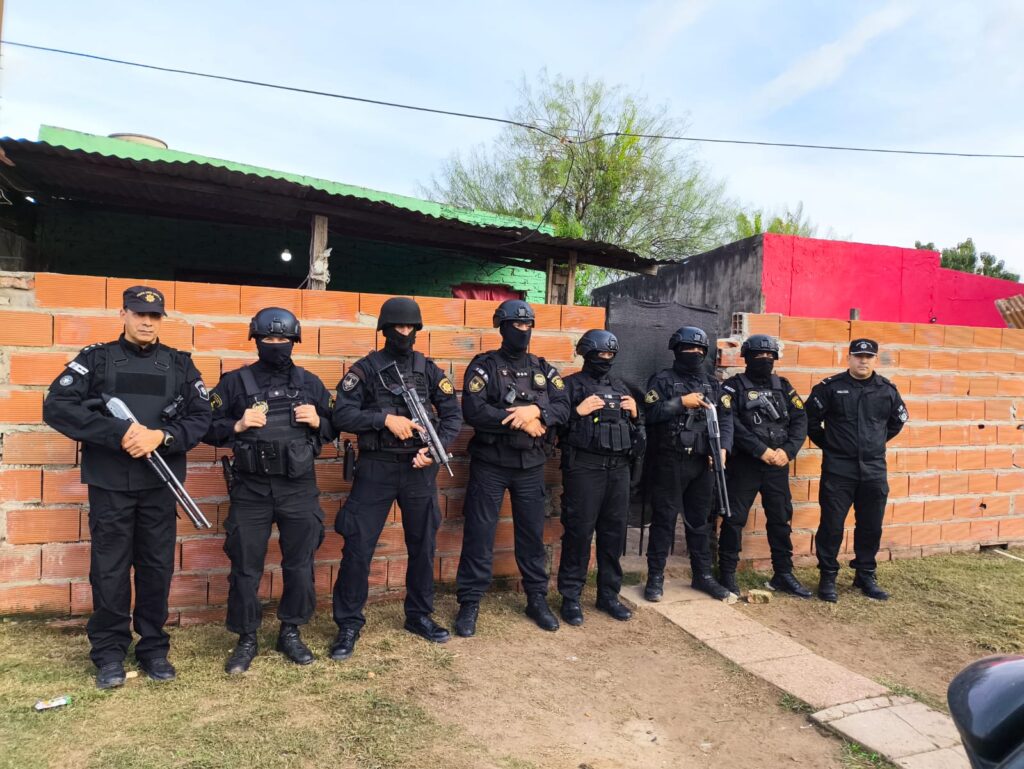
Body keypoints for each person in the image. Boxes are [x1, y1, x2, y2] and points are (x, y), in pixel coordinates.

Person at [42, 286, 211, 689]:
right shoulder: (95, 360)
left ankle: (153, 648)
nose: (147, 322)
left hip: (160, 482)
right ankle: (109, 652)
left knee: (156, 567)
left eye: (154, 316)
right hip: (111, 484)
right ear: (123, 314)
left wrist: (161, 437)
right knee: (110, 569)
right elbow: (57, 406)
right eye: (139, 314)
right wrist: (117, 433)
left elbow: (201, 416)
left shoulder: (180, 365)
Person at [328, 297, 462, 660]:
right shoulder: (365, 369)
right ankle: (348, 624)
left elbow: (452, 416)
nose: (404, 333)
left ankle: (419, 615)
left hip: (420, 468)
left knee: (423, 545)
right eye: (398, 327)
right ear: (385, 330)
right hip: (376, 467)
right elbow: (341, 415)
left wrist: (433, 451)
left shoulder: (428, 370)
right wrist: (384, 420)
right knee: (358, 547)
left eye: (410, 327)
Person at [204, 307, 335, 673]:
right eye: (269, 338)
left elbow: (337, 424)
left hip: (298, 487)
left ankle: (290, 631)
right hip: (252, 489)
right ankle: (246, 637)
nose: (276, 344)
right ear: (256, 340)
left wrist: (319, 421)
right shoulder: (234, 383)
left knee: (300, 564)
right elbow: (203, 426)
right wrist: (237, 425)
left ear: (294, 341)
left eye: (283, 338)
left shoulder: (310, 383)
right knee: (246, 566)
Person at [453, 299, 570, 637]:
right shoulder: (484, 366)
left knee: (532, 534)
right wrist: (517, 420)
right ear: (502, 327)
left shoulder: (542, 368)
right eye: (517, 325)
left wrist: (536, 413)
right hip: (490, 464)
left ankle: (536, 599)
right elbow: (474, 410)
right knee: (479, 534)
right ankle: (469, 602)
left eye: (528, 325)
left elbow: (563, 406)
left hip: (531, 465)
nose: (523, 330)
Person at [806, 338, 909, 602]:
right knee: (831, 525)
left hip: (874, 469)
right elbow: (809, 421)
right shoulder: (830, 388)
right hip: (839, 469)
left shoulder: (887, 390)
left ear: (875, 359)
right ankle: (828, 576)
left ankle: (865, 575)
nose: (863, 361)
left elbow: (897, 421)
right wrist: (832, 445)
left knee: (871, 525)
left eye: (868, 356)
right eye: (858, 356)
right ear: (849, 357)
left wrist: (875, 443)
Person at [642, 325, 735, 602]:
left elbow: (726, 418)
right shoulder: (662, 380)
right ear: (676, 350)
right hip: (671, 460)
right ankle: (655, 577)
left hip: (703, 462)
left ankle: (702, 575)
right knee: (664, 520)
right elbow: (650, 413)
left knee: (699, 522)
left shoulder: (713, 384)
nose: (693, 352)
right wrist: (681, 402)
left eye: (698, 349)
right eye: (688, 348)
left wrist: (722, 448)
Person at [556, 329, 639, 625]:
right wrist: (576, 412)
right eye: (600, 354)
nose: (605, 359)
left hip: (618, 470)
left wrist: (635, 413)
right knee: (578, 534)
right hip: (584, 469)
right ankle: (570, 598)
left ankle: (608, 595)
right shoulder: (569, 386)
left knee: (613, 535)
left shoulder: (621, 386)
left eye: (610, 355)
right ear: (587, 354)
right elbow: (553, 428)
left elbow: (639, 432)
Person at [718, 334, 811, 598]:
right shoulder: (732, 388)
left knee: (780, 519)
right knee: (734, 520)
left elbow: (800, 420)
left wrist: (787, 451)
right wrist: (760, 450)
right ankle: (726, 573)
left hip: (777, 464)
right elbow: (730, 423)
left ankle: (783, 573)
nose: (765, 359)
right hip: (744, 465)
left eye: (770, 356)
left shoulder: (783, 386)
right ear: (746, 358)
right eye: (759, 355)